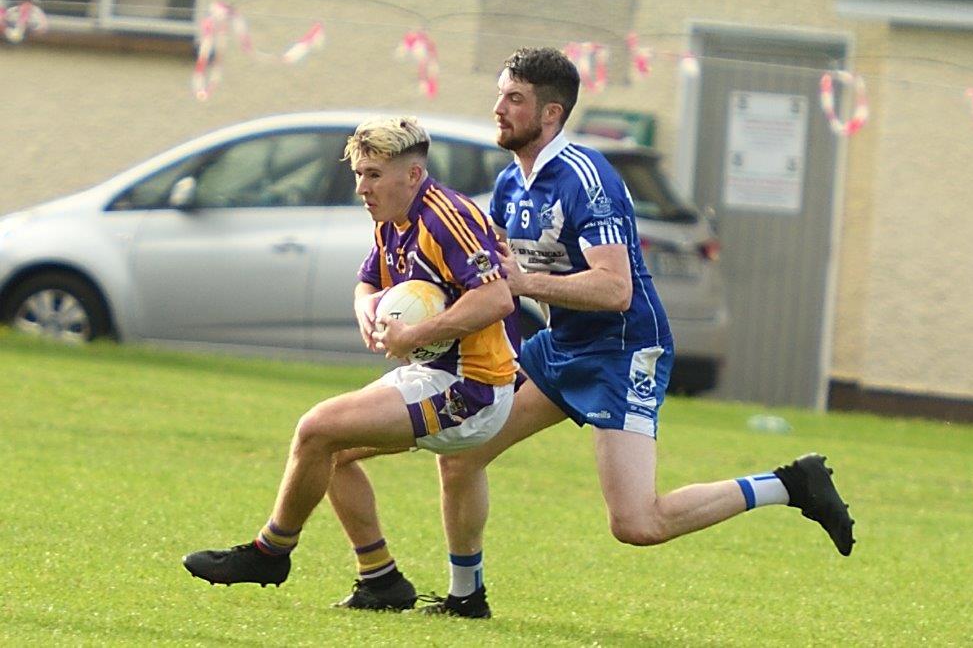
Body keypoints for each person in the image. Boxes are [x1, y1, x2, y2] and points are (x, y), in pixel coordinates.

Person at [414, 46, 855, 618]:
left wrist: (524, 284)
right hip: (562, 348)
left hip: (624, 350)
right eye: (500, 94)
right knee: (462, 454)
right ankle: (465, 597)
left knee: (637, 524)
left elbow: (613, 288)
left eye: (513, 98)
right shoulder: (510, 185)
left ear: (550, 114)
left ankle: (790, 485)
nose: (498, 108)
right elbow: (500, 281)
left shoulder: (586, 177)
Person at [182, 116, 520, 615]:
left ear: (412, 173)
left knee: (316, 428)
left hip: (471, 388)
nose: (362, 187)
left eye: (373, 174)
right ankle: (380, 579)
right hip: (434, 375)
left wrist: (415, 333)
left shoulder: (446, 216)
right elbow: (367, 283)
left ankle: (270, 552)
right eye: (359, 174)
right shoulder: (392, 217)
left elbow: (497, 299)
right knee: (326, 454)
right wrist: (369, 310)